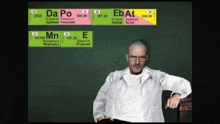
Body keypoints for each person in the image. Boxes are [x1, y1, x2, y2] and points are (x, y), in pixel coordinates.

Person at [93, 40, 192, 122]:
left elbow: (184, 84)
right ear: (127, 57)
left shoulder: (157, 76)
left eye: (141, 58)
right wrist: (99, 117)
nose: (137, 62)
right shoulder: (114, 77)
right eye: (133, 57)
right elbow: (100, 100)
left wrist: (177, 95)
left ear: (146, 58)